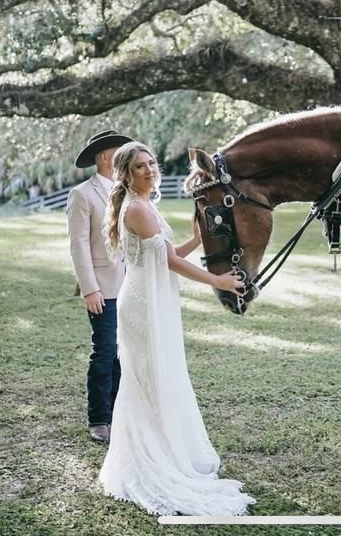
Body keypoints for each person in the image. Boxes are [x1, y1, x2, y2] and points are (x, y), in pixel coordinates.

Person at [97, 141, 255, 516]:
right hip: (142, 305)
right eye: (140, 166)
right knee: (149, 379)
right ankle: (152, 459)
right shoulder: (138, 208)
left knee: (159, 377)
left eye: (151, 163)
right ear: (126, 174)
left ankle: (165, 447)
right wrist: (219, 282)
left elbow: (164, 256)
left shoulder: (144, 204)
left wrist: (197, 240)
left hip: (151, 297)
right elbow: (168, 262)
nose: (150, 170)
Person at [67, 129, 133, 444]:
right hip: (102, 288)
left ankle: (119, 413)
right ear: (106, 157)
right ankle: (99, 419)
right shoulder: (82, 194)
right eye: (121, 153)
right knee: (105, 351)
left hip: (132, 286)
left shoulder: (127, 191)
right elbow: (78, 245)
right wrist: (89, 288)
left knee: (125, 353)